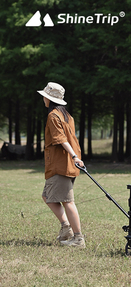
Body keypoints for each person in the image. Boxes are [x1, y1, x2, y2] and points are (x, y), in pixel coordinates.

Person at [37, 82, 85, 248]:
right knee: (47, 196)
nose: (43, 98)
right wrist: (76, 157)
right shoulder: (67, 115)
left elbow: (62, 140)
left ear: (49, 99)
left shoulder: (53, 116)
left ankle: (78, 238)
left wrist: (73, 156)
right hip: (63, 165)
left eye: (45, 96)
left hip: (61, 165)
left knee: (67, 201)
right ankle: (66, 228)